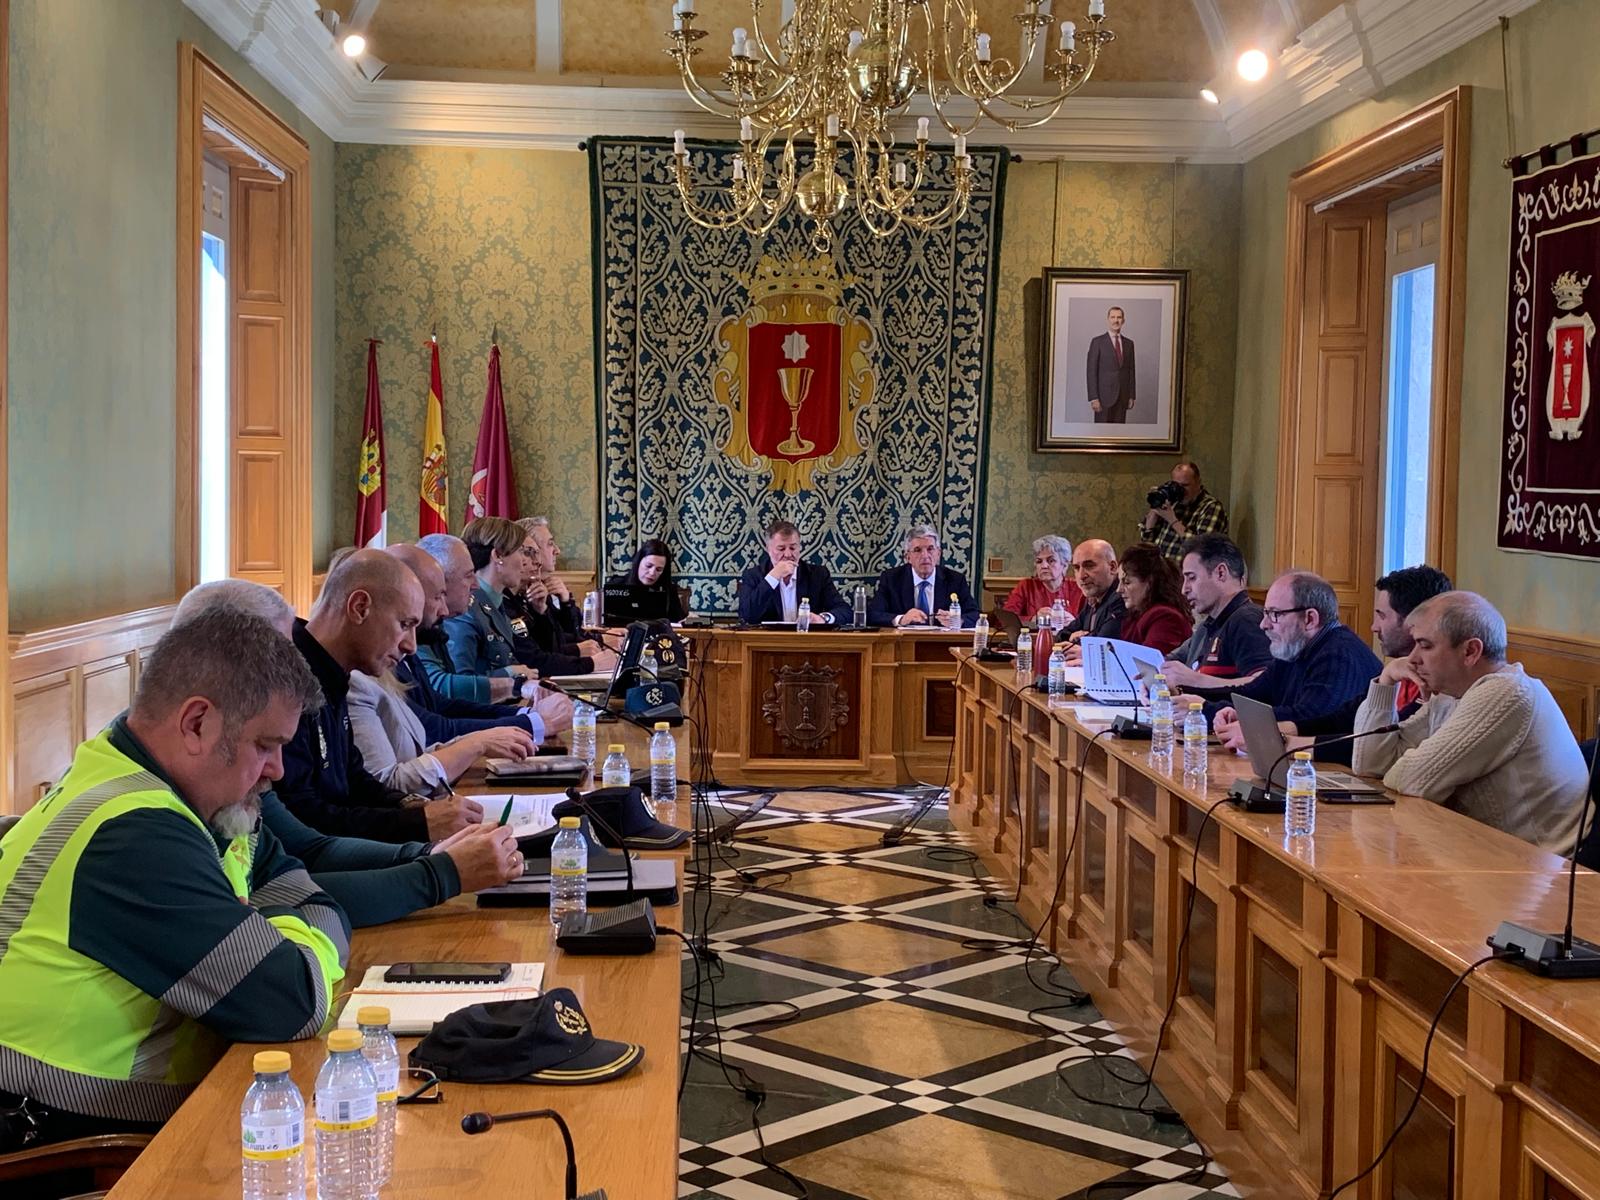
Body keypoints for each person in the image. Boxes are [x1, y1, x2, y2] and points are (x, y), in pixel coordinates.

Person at [0, 609, 347, 1144]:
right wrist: (299, 936)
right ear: (196, 724)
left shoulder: (181, 797)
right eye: (264, 745)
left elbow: (302, 887)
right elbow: (292, 1002)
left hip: (125, 1123)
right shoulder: (134, 835)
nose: (277, 770)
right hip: (64, 1143)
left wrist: (277, 929)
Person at [171, 578, 526, 927]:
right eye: (265, 746)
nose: (276, 769)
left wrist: (430, 854)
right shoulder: (155, 820)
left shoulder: (231, 771)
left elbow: (310, 850)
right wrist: (441, 872)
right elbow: (280, 908)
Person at [1352, 592, 1587, 854]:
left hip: (1540, 866)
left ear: (1470, 651)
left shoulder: (1506, 693)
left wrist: (1404, 766)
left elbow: (1410, 780)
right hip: (1485, 853)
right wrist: (1385, 682)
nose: (1413, 658)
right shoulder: (1451, 694)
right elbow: (1369, 765)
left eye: (1425, 646)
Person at [279, 549, 482, 843]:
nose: (411, 646)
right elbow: (304, 818)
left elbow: (356, 779)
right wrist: (418, 823)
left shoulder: (334, 674)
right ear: (360, 607)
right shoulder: (286, 679)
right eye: (405, 625)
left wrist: (414, 806)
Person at [350, 547, 543, 795]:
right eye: (438, 595)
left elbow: (432, 719)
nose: (410, 645)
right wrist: (488, 737)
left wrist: (515, 720)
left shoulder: (392, 654)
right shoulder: (362, 677)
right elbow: (390, 780)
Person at [1197, 570, 1381, 750]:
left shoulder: (1339, 655)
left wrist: (1227, 714)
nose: (1263, 624)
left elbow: (1310, 718)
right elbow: (1251, 694)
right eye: (1266, 613)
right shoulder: (1294, 648)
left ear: (1310, 619)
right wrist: (1196, 702)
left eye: (1275, 614)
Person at [1289, 564, 1453, 755]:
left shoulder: (1440, 684)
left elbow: (1383, 744)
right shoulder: (1399, 670)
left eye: (1381, 616)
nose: (1374, 627)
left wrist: (1297, 745)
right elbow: (1345, 717)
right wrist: (1289, 729)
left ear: (1413, 620)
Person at [441, 517, 542, 694]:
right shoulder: (465, 608)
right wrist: (509, 674)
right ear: (498, 556)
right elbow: (458, 682)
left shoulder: (496, 602)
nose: (525, 561)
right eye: (520, 551)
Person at [1161, 534, 1271, 688]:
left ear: (1221, 573)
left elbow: (1265, 684)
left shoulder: (1246, 620)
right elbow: (1167, 663)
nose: (1184, 589)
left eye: (1191, 578)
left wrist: (1195, 680)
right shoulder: (1206, 628)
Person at [512, 516, 619, 669]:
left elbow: (565, 635)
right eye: (550, 544)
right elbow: (535, 656)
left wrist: (566, 602)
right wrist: (586, 654)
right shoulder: (514, 598)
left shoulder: (542, 587)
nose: (557, 551)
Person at [738, 520, 850, 625]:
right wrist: (773, 577)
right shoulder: (753, 576)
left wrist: (822, 618)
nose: (788, 555)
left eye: (793, 548)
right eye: (781, 549)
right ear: (768, 549)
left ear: (799, 547)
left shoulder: (818, 575)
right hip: (769, 638)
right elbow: (747, 616)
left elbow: (845, 611)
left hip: (808, 637)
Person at [867, 524, 978, 628]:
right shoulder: (891, 579)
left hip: (942, 641)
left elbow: (975, 615)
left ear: (938, 554)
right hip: (905, 641)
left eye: (930, 549)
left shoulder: (955, 580)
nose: (925, 556)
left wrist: (957, 620)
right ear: (907, 557)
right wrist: (902, 619)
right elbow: (873, 614)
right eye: (917, 550)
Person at [1138, 462, 1229, 562]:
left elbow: (1204, 549)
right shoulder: (1172, 501)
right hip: (1161, 568)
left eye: (1185, 485)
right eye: (1176, 485)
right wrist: (1154, 509)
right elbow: (1146, 543)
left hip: (1186, 571)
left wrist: (1173, 520)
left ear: (1198, 483)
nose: (1180, 490)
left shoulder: (1211, 507)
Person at [1114, 544, 1194, 656]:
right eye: (1119, 582)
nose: (1119, 590)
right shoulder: (1137, 615)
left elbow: (1149, 663)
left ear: (1149, 583)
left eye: (1127, 582)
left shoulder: (1166, 618)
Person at [1061, 539, 1125, 662]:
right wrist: (1072, 637)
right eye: (1076, 568)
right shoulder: (1093, 597)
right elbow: (1063, 635)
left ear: (1112, 567)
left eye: (1089, 566)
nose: (1081, 576)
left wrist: (1081, 642)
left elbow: (1103, 646)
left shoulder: (1121, 598)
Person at [1001, 535, 1085, 624]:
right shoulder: (1026, 586)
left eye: (1051, 560)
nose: (1044, 566)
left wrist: (1074, 623)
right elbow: (1004, 620)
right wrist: (1034, 619)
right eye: (1039, 561)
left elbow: (1091, 623)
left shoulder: (1079, 588)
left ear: (1065, 565)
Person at [610, 537, 688, 622]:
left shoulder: (669, 590)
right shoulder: (617, 585)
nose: (652, 573)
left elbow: (678, 622)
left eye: (659, 569)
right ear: (638, 562)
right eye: (648, 566)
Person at [1086, 305, 1136, 424]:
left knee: (1119, 433)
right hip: (1103, 398)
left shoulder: (1129, 344)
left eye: (1119, 317)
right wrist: (1094, 398)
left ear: (1123, 320)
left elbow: (1131, 370)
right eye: (1113, 317)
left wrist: (1131, 395)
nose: (1116, 320)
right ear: (1108, 319)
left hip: (1122, 397)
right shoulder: (1097, 342)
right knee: (1102, 432)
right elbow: (1091, 371)